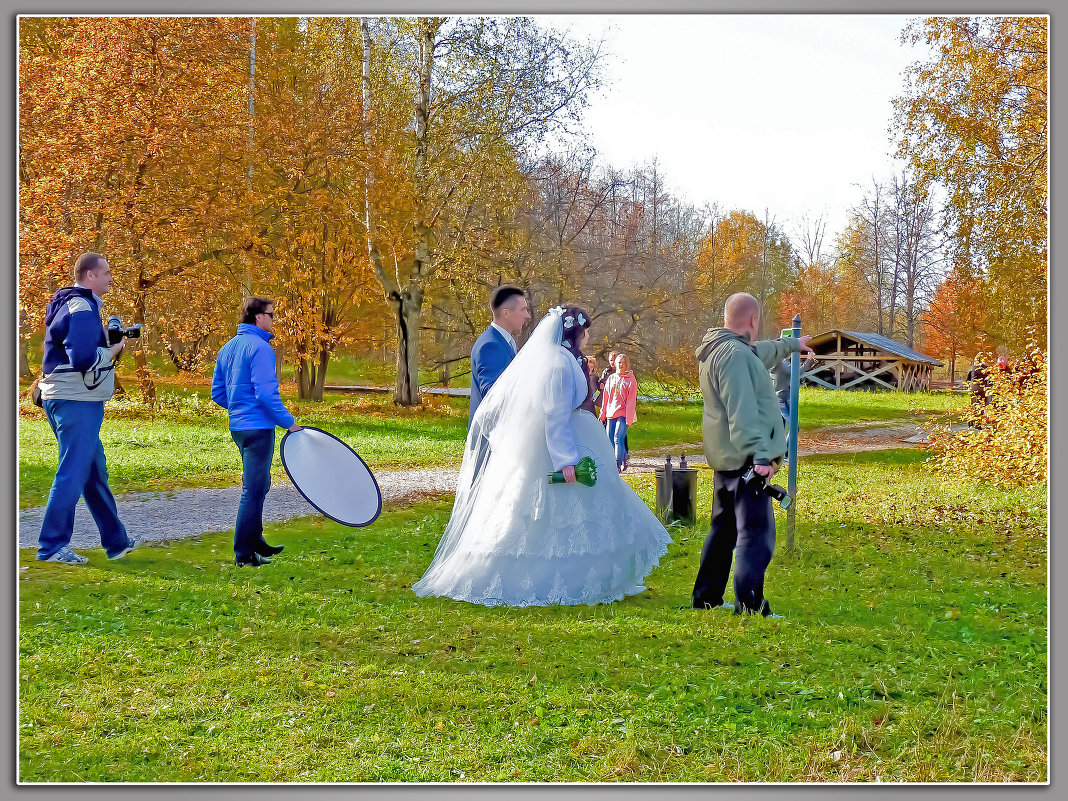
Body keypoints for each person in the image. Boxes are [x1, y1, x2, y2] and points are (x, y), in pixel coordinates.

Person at [413, 305, 672, 607]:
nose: (589, 337)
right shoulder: (558, 366)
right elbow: (555, 415)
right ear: (576, 333)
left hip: (578, 438)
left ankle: (596, 579)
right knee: (547, 514)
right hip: (560, 447)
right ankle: (552, 580)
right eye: (586, 331)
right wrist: (566, 461)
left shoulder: (564, 360)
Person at [690, 293, 813, 616]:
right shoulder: (735, 356)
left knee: (724, 530)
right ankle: (751, 605)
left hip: (727, 460)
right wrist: (761, 457)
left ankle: (707, 598)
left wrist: (791, 346)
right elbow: (742, 414)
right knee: (755, 535)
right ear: (754, 320)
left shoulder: (725, 349)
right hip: (747, 462)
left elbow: (761, 353)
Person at [35, 252, 140, 564]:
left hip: (73, 399)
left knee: (93, 472)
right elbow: (81, 359)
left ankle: (116, 541)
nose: (110, 277)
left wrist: (105, 341)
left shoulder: (75, 305)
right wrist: (113, 350)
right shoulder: (81, 306)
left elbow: (74, 348)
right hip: (75, 401)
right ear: (89, 276)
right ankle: (52, 546)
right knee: (72, 472)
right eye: (106, 272)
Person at [212, 297, 302, 567]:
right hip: (258, 427)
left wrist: (239, 407)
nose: (274, 320)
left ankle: (256, 540)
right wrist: (288, 422)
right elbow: (265, 393)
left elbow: (217, 393)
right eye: (271, 315)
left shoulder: (228, 347)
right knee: (253, 489)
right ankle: (244, 554)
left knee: (261, 484)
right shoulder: (261, 348)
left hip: (239, 427)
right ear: (258, 318)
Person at [468, 285, 531, 426]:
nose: (527, 315)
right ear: (506, 313)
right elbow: (492, 397)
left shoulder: (504, 341)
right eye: (523, 309)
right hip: (492, 438)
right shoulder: (491, 345)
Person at [599, 351, 638, 472]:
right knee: (609, 438)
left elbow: (632, 401)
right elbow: (606, 397)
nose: (620, 365)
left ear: (627, 365)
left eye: (623, 363)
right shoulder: (611, 378)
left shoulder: (631, 381)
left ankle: (617, 464)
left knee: (618, 437)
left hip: (624, 414)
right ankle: (616, 459)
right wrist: (603, 413)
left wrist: (629, 418)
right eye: (619, 363)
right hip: (611, 412)